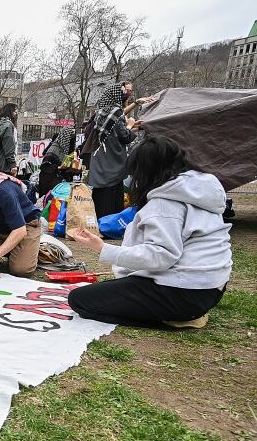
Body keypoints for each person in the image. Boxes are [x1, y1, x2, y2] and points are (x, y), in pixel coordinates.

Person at [68, 136, 232, 329]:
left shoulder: (165, 203)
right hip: (212, 287)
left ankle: (175, 319)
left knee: (79, 300)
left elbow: (161, 255)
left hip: (184, 292)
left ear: (145, 171)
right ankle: (181, 313)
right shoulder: (198, 191)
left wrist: (102, 248)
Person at [88, 82, 156, 218]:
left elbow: (115, 131)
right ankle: (110, 224)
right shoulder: (116, 112)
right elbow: (124, 136)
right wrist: (130, 125)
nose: (128, 96)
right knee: (112, 195)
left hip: (101, 161)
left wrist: (132, 126)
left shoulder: (102, 112)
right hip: (112, 163)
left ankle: (99, 221)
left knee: (100, 196)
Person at [37, 127, 76, 197]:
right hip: (49, 184)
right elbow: (45, 167)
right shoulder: (54, 149)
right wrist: (59, 167)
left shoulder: (65, 151)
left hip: (60, 186)